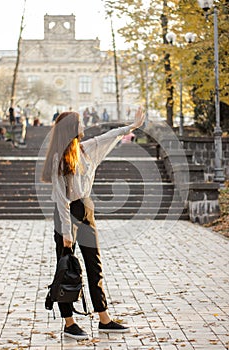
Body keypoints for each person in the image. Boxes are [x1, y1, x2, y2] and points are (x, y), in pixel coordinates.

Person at [42, 107, 145, 340]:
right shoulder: (60, 158)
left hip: (86, 209)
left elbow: (108, 136)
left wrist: (132, 127)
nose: (84, 127)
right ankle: (69, 323)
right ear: (71, 129)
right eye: (80, 123)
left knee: (94, 264)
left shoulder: (85, 150)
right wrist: (66, 232)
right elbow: (60, 198)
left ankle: (104, 318)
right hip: (67, 213)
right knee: (66, 267)